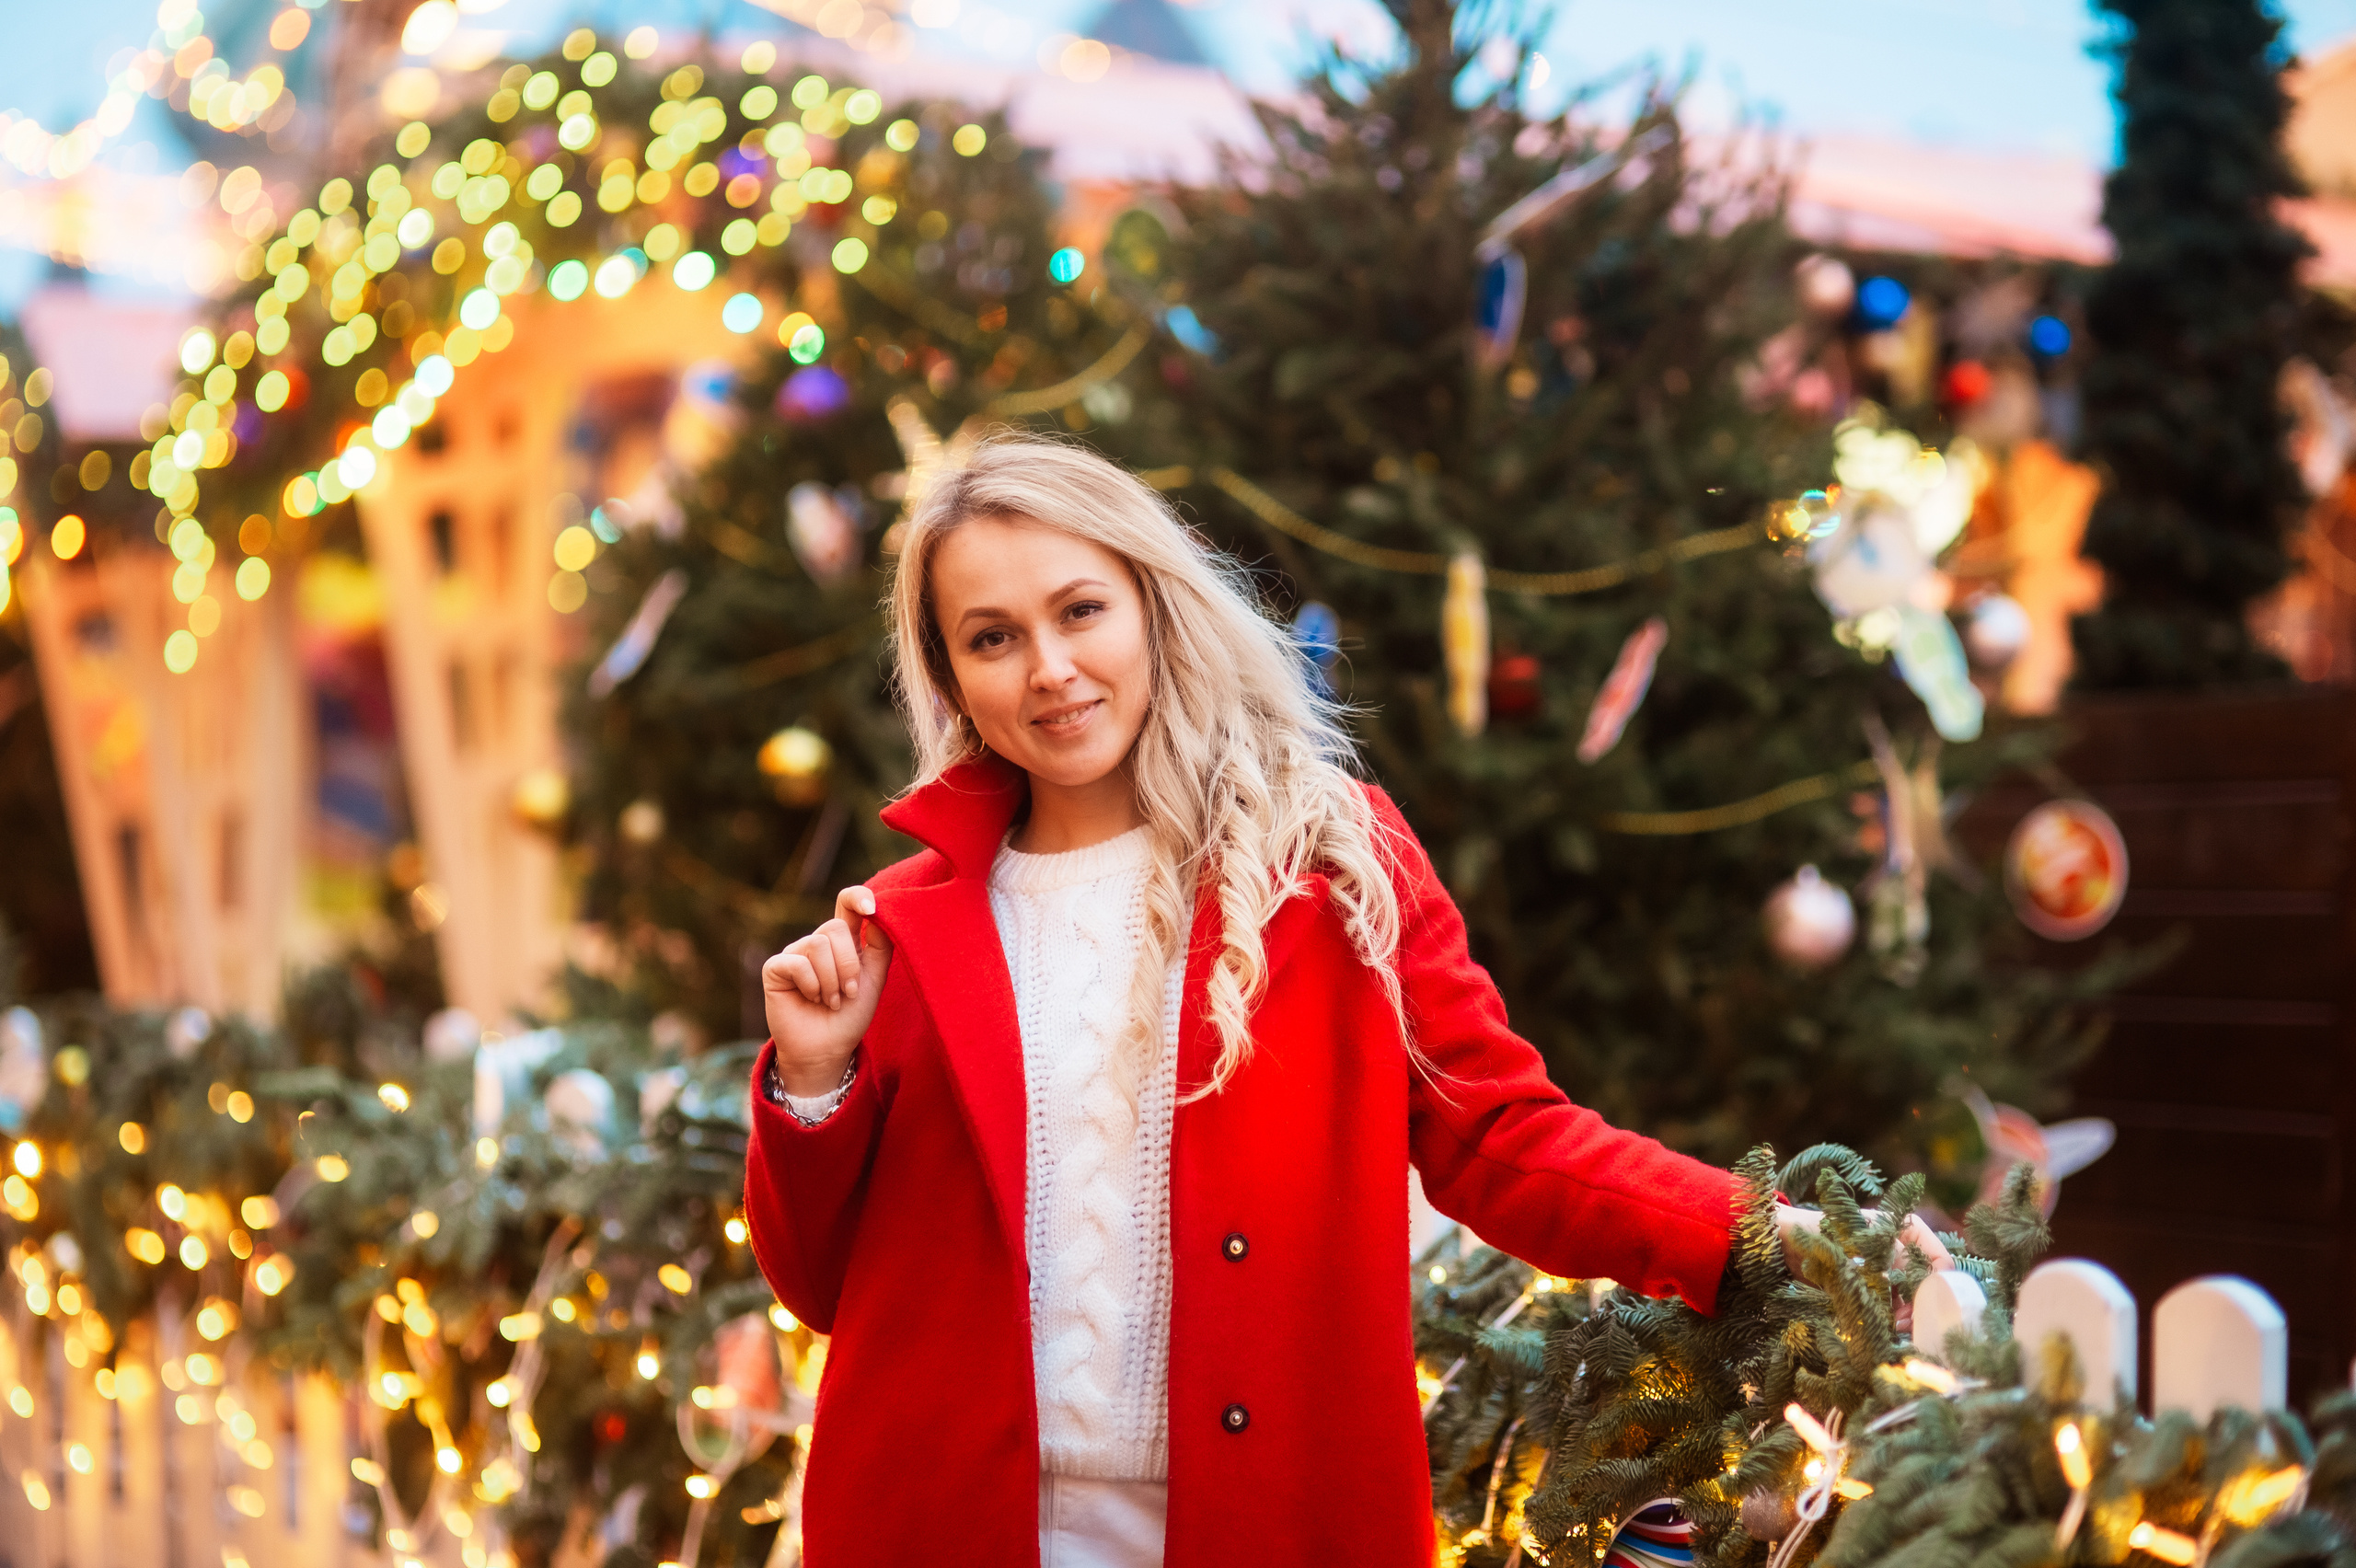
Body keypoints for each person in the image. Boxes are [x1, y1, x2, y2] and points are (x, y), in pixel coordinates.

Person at [742, 436, 1947, 1568]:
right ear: (951, 676)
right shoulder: (902, 924)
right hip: (939, 1522)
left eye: (1081, 611)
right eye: (992, 637)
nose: (1050, 669)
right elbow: (819, 1286)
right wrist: (811, 1083)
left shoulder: (1327, 864)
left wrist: (1755, 1234)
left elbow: (1503, 1137)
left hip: (1273, 1516)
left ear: (1154, 606)